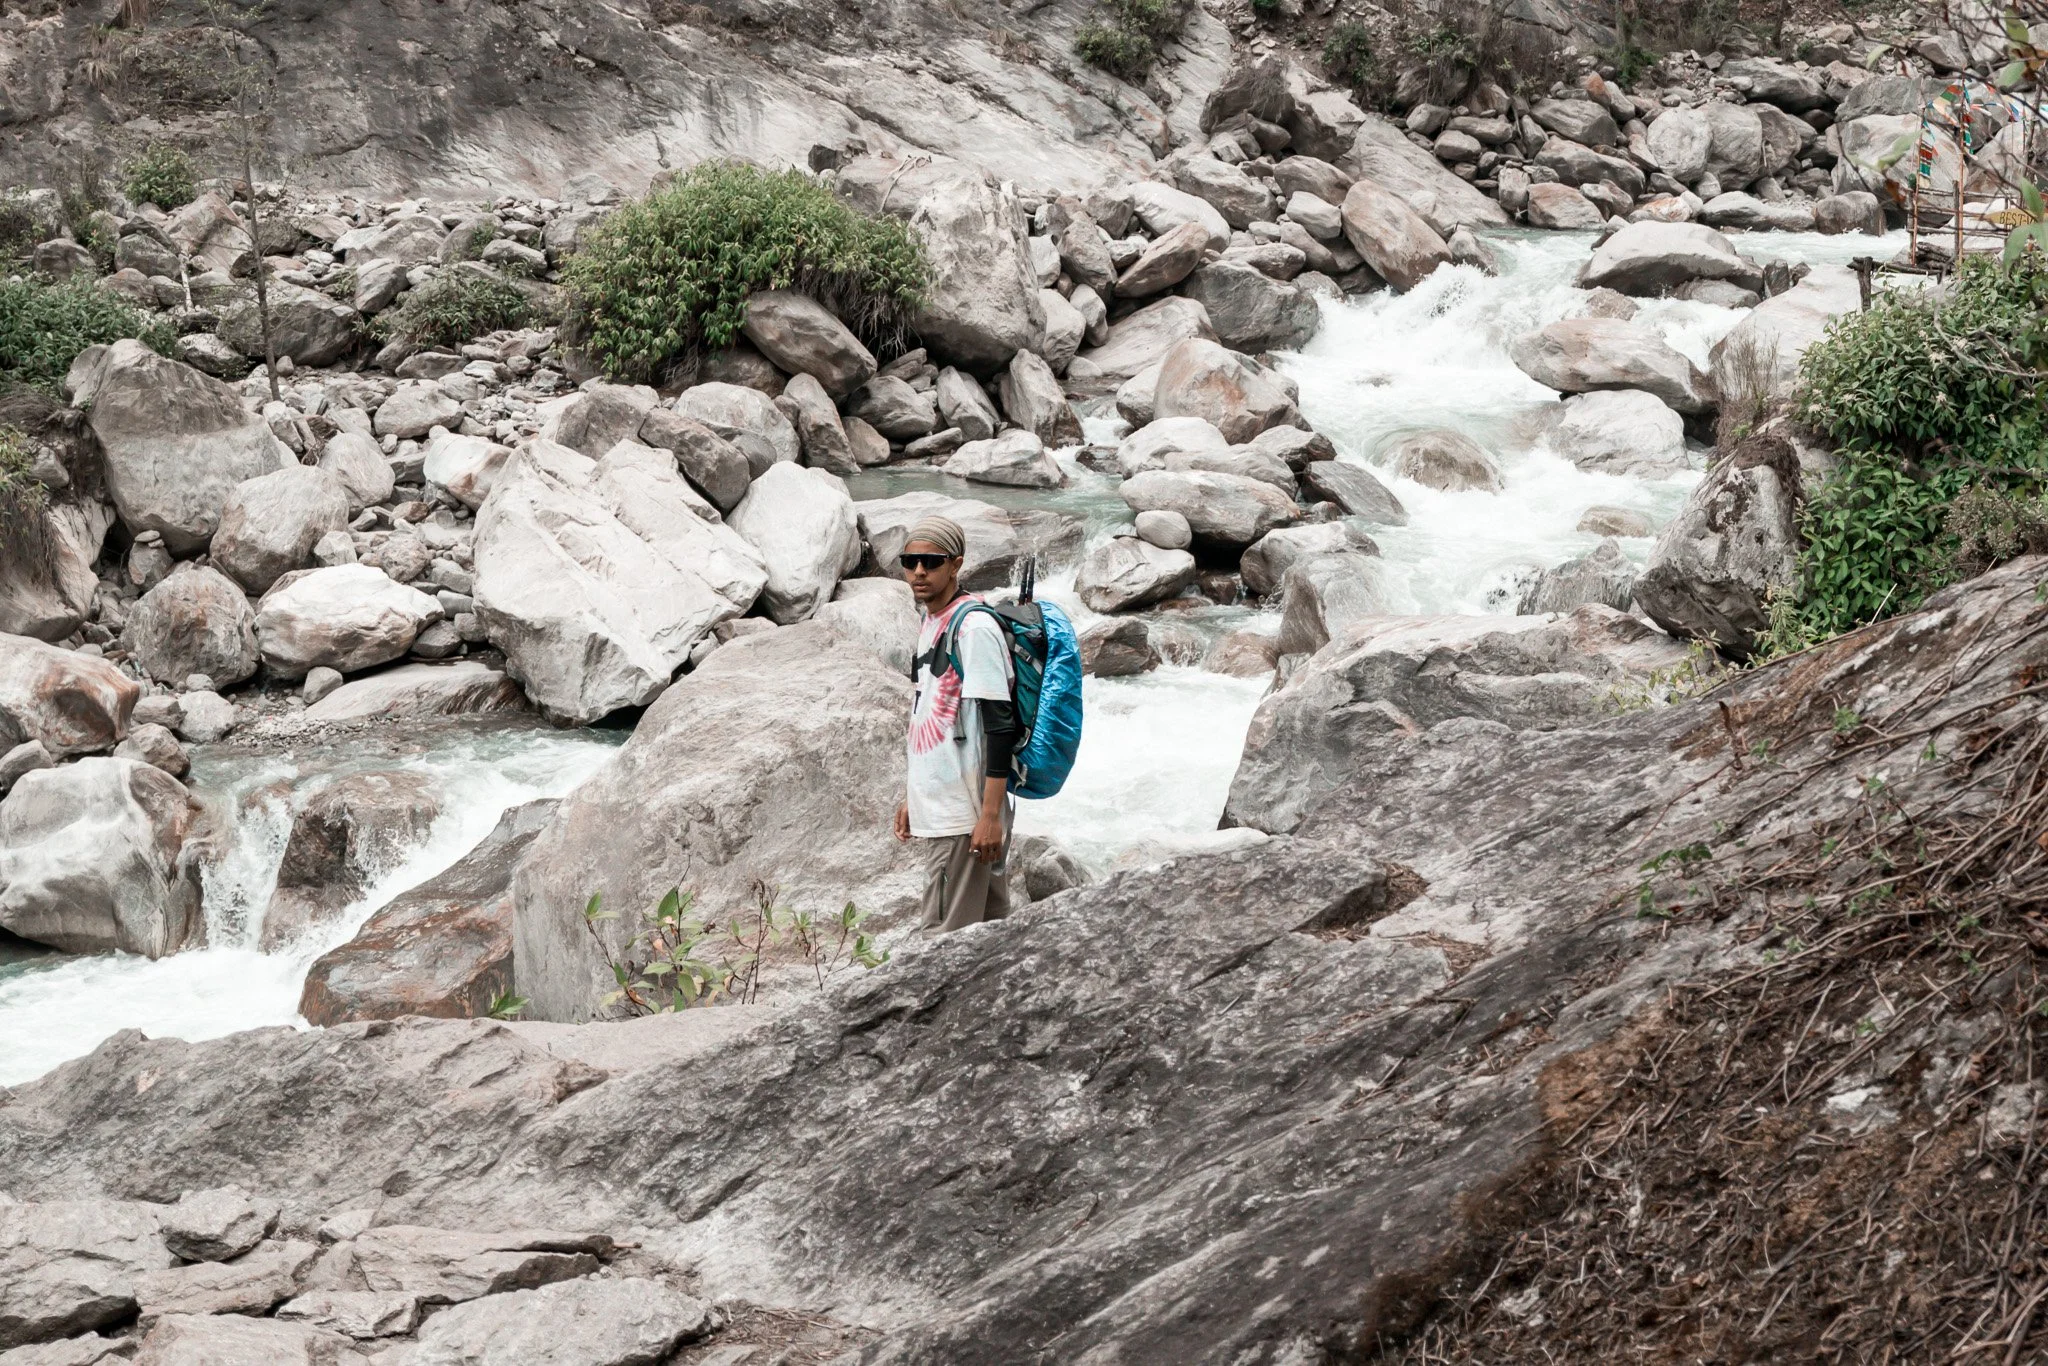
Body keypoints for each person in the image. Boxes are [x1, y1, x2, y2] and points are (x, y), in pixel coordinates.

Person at [891, 514, 1016, 932]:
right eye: (910, 562)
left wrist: (991, 815)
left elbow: (1001, 725)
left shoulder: (974, 627)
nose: (919, 572)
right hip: (948, 806)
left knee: (942, 938)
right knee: (989, 931)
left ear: (956, 564)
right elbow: (931, 714)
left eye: (932, 561)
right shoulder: (932, 619)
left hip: (966, 817)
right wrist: (915, 795)